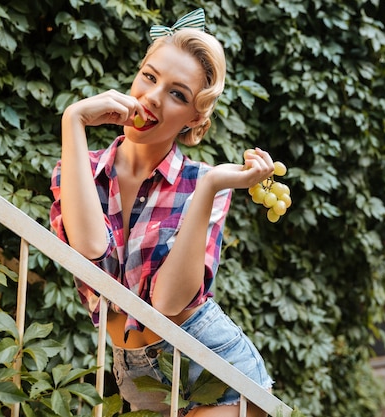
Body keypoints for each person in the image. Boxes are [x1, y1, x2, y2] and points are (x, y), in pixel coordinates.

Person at [50, 8, 274, 417]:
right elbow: (89, 247)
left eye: (178, 94)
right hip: (135, 374)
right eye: (149, 77)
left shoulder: (206, 183)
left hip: (209, 362)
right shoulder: (79, 169)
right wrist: (74, 118)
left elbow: (169, 302)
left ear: (194, 119)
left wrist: (209, 187)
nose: (153, 97)